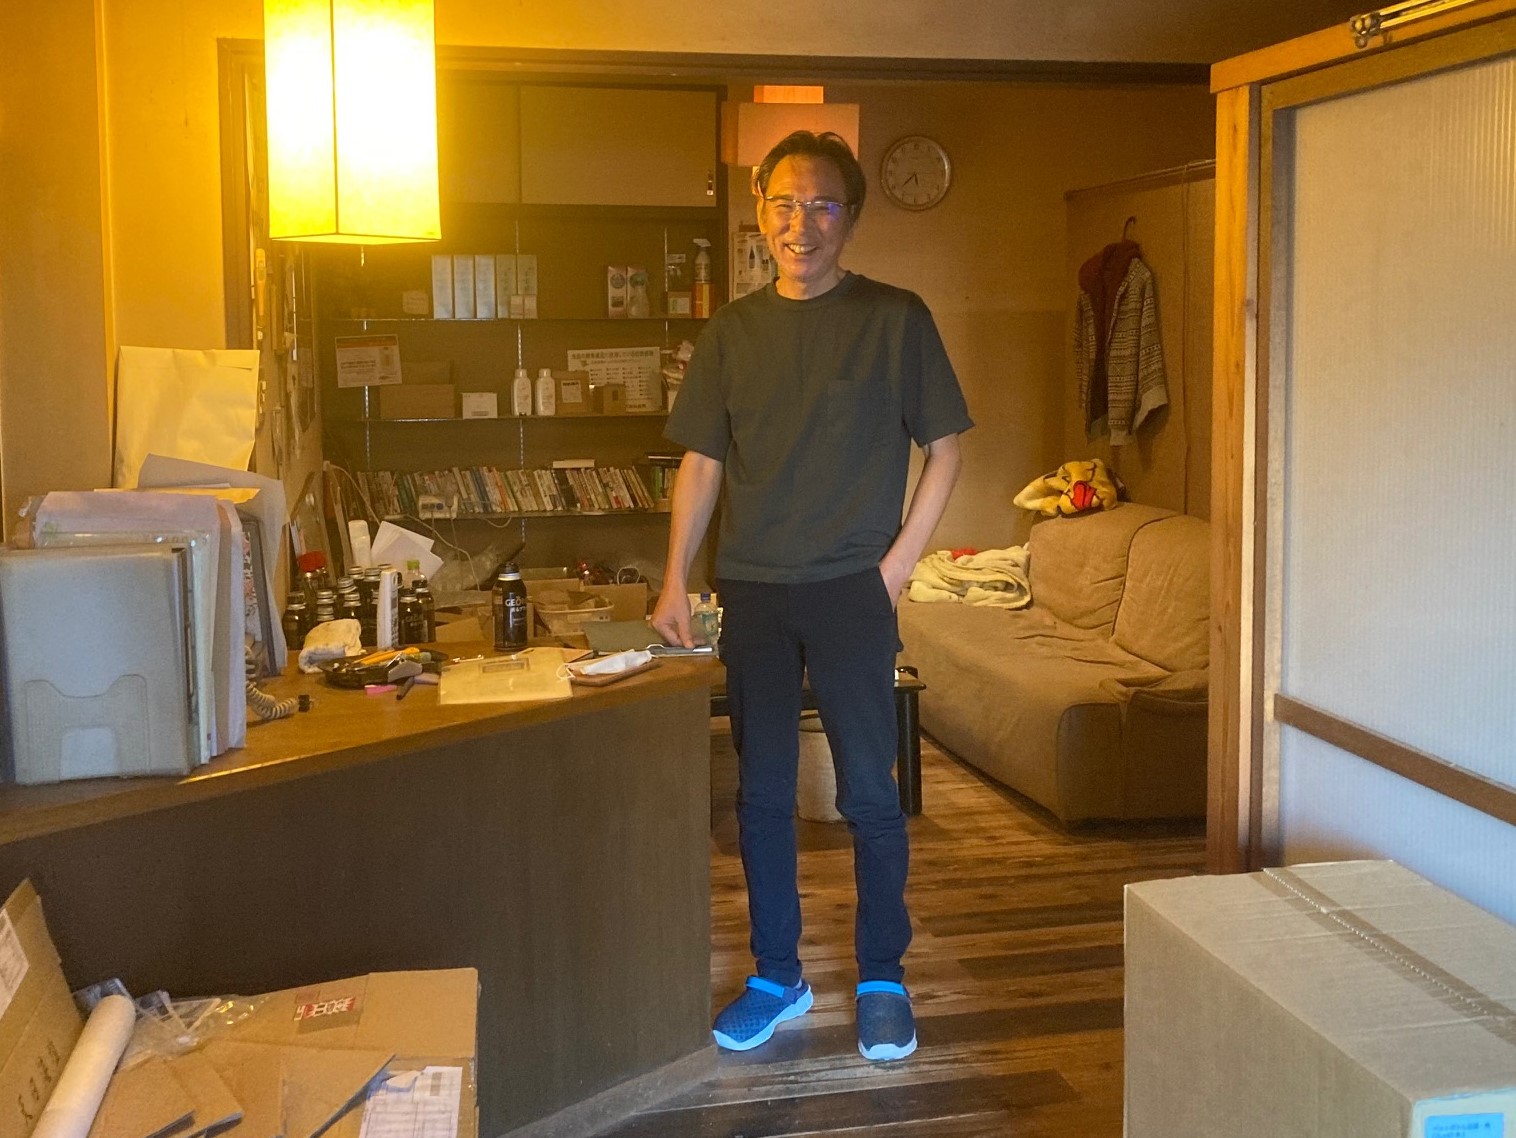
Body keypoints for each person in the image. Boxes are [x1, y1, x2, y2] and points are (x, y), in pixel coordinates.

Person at [651, 130, 972, 1062]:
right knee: (761, 793)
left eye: (823, 204)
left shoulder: (896, 318)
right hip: (752, 589)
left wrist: (897, 567)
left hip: (850, 592)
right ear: (761, 210)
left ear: (851, 217)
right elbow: (702, 461)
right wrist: (675, 578)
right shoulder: (731, 332)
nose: (802, 223)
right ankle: (777, 975)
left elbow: (946, 449)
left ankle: (882, 976)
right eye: (785, 203)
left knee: (870, 791)